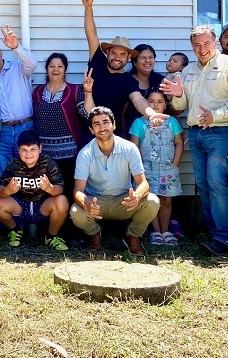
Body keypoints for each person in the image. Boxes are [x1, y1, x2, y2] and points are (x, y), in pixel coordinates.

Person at [160, 24, 228, 256]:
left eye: (206, 43)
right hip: (195, 134)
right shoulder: (188, 71)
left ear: (215, 43)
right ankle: (213, 231)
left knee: (217, 184)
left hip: (220, 133)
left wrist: (215, 115)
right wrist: (177, 95)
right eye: (197, 45)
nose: (202, 49)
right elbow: (182, 106)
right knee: (203, 186)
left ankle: (223, 237)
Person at [69, 107, 160, 255]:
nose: (102, 128)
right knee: (76, 211)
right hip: (96, 203)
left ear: (114, 125)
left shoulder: (129, 148)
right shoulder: (85, 153)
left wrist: (136, 196)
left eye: (106, 122)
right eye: (96, 124)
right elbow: (78, 190)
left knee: (152, 201)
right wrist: (86, 203)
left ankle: (132, 236)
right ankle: (94, 234)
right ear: (91, 130)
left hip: (124, 201)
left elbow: (144, 183)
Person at [80, 0, 166, 138]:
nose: (117, 58)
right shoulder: (98, 62)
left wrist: (151, 114)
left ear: (128, 58)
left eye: (122, 54)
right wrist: (88, 8)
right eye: (114, 53)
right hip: (89, 130)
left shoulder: (129, 81)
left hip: (113, 133)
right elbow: (92, 35)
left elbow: (138, 100)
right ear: (107, 52)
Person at [0, 130, 69, 251]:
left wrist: (49, 188)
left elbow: (60, 188)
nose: (28, 154)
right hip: (21, 207)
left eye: (33, 149)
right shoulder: (14, 164)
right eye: (24, 150)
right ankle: (15, 229)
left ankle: (51, 236)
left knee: (62, 201)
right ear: (18, 149)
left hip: (43, 206)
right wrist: (8, 190)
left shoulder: (47, 162)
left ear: (40, 148)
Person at [31, 53, 94, 200]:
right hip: (44, 155)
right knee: (46, 193)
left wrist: (88, 91)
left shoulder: (74, 90)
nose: (56, 70)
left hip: (68, 153)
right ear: (46, 69)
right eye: (52, 66)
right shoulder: (38, 92)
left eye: (60, 66)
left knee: (68, 191)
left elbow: (88, 113)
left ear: (65, 70)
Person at [0, 25, 38, 175]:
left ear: (1, 52)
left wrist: (16, 47)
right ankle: (7, 198)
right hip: (2, 131)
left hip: (26, 126)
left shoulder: (18, 68)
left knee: (29, 169)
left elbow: (33, 64)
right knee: (4, 172)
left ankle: (29, 199)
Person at [129, 90, 183, 245]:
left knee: (166, 200)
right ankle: (155, 231)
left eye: (160, 102)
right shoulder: (139, 123)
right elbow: (134, 147)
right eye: (151, 101)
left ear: (165, 104)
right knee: (151, 200)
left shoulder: (172, 122)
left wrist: (176, 163)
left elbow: (179, 142)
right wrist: (139, 169)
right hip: (147, 171)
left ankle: (165, 230)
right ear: (146, 103)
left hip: (168, 169)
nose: (156, 105)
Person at [124, 44, 167, 131]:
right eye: (143, 58)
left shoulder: (161, 81)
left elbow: (170, 109)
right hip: (133, 132)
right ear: (134, 62)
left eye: (151, 57)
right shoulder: (127, 81)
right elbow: (123, 113)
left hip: (159, 130)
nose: (147, 61)